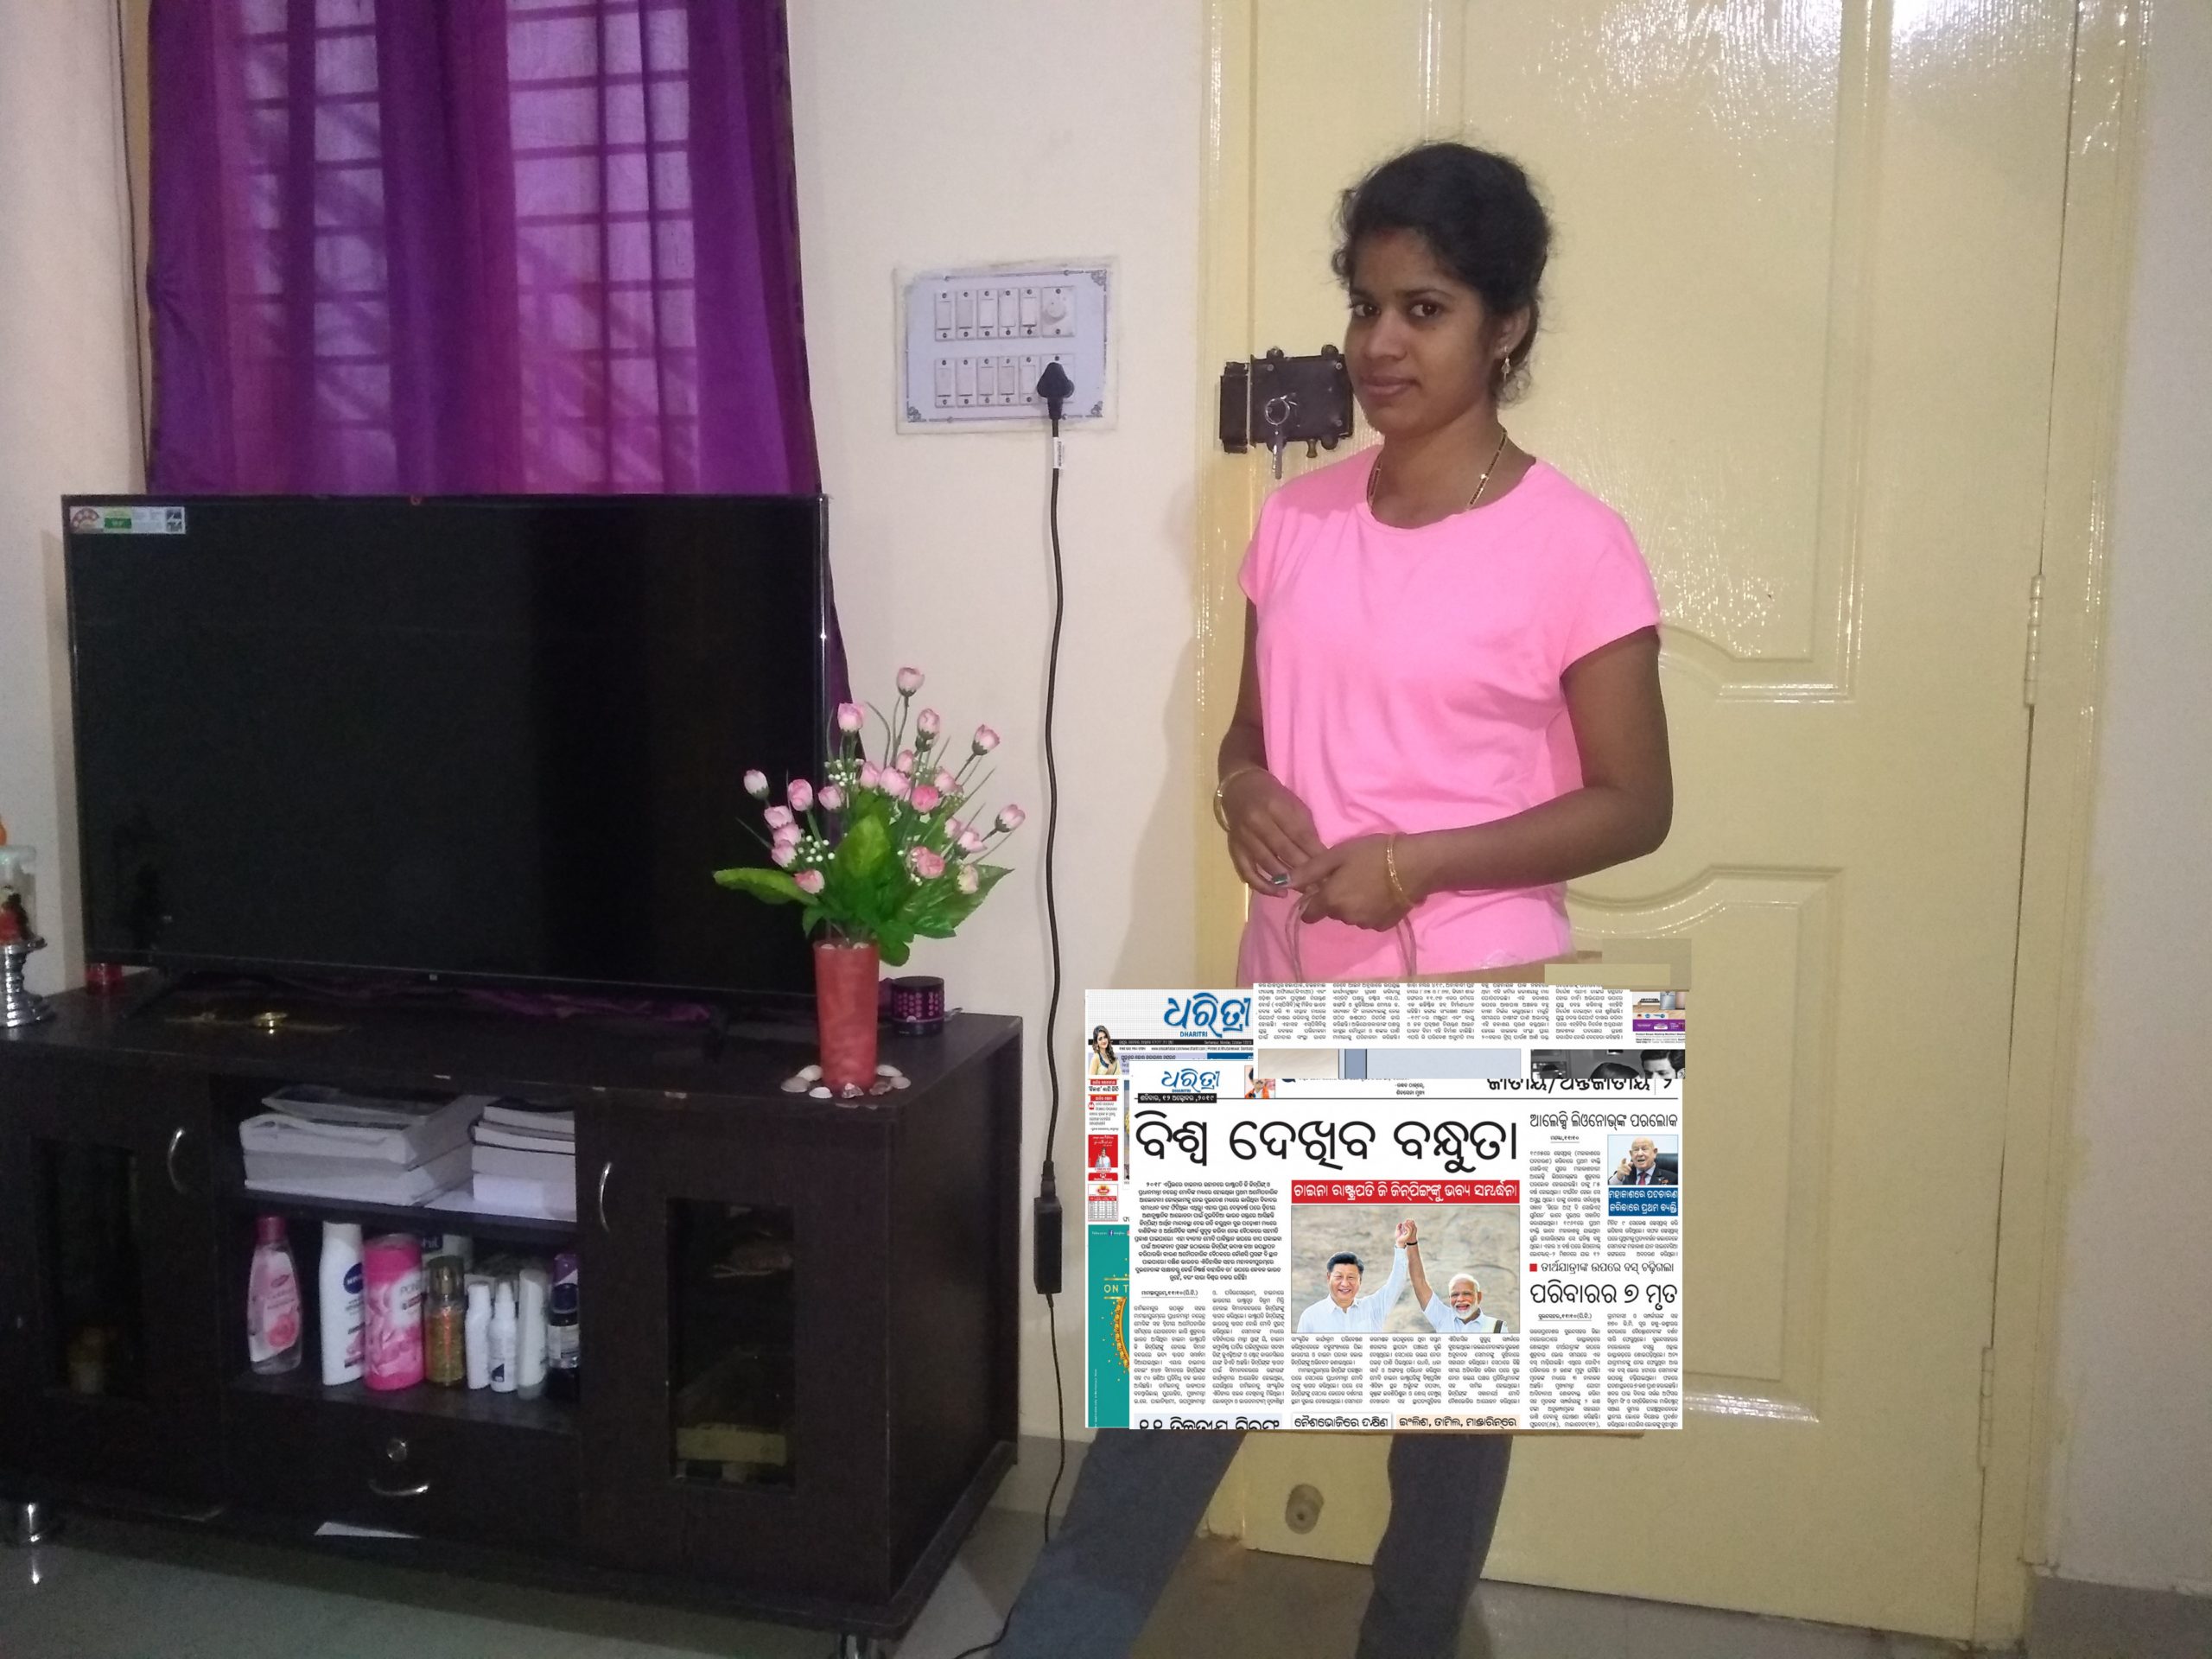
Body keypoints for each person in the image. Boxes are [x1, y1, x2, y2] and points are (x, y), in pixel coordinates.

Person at [997, 141, 1672, 1659]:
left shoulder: (1576, 546)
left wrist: (1417, 861)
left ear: (1507, 324)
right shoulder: (1296, 521)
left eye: (1425, 309)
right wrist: (1242, 789)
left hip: (1461, 1003)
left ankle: (1409, 1642)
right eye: (1366, 305)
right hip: (1285, 984)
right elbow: (1250, 731)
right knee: (1188, 1373)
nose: (1380, 343)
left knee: (1449, 1396)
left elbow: (1638, 802)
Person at [1295, 1222, 1416, 1333]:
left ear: (1360, 1280)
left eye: (1351, 1277)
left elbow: (1396, 1284)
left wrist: (1400, 1245)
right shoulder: (1311, 1316)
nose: (1345, 1283)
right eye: (1339, 1277)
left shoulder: (1372, 1308)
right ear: (1328, 1277)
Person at [1408, 1246, 1507, 1334]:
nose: (1460, 1299)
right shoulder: (1443, 1318)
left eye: (1466, 1294)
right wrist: (1412, 1243)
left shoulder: (1497, 1328)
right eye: (1455, 1295)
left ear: (1479, 1297)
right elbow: (1419, 1282)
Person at [1610, 1136, 1675, 1185]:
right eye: (1636, 1150)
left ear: (1654, 1152)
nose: (1640, 1154)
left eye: (1644, 1149)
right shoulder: (1623, 1176)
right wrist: (1618, 1177)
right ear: (1631, 1154)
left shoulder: (1673, 1179)